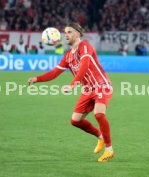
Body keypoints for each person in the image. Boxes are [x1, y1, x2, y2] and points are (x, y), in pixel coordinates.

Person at [27, 23, 114, 162]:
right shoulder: (68, 56)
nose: (66, 34)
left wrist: (73, 84)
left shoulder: (85, 46)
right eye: (65, 32)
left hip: (101, 85)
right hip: (87, 90)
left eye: (69, 32)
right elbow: (55, 72)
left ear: (78, 33)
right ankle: (101, 137)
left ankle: (109, 150)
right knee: (75, 120)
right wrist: (37, 79)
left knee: (99, 114)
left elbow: (84, 65)